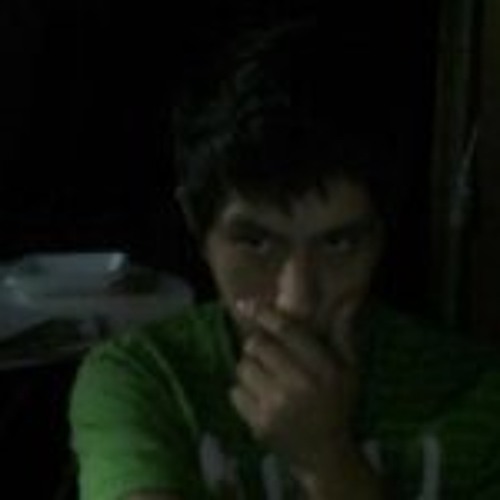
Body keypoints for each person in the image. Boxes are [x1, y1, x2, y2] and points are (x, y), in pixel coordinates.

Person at [69, 18, 500, 500]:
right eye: (256, 243)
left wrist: (327, 460)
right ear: (196, 226)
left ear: (382, 234)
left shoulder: (475, 393)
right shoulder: (144, 379)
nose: (296, 301)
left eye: (338, 244)